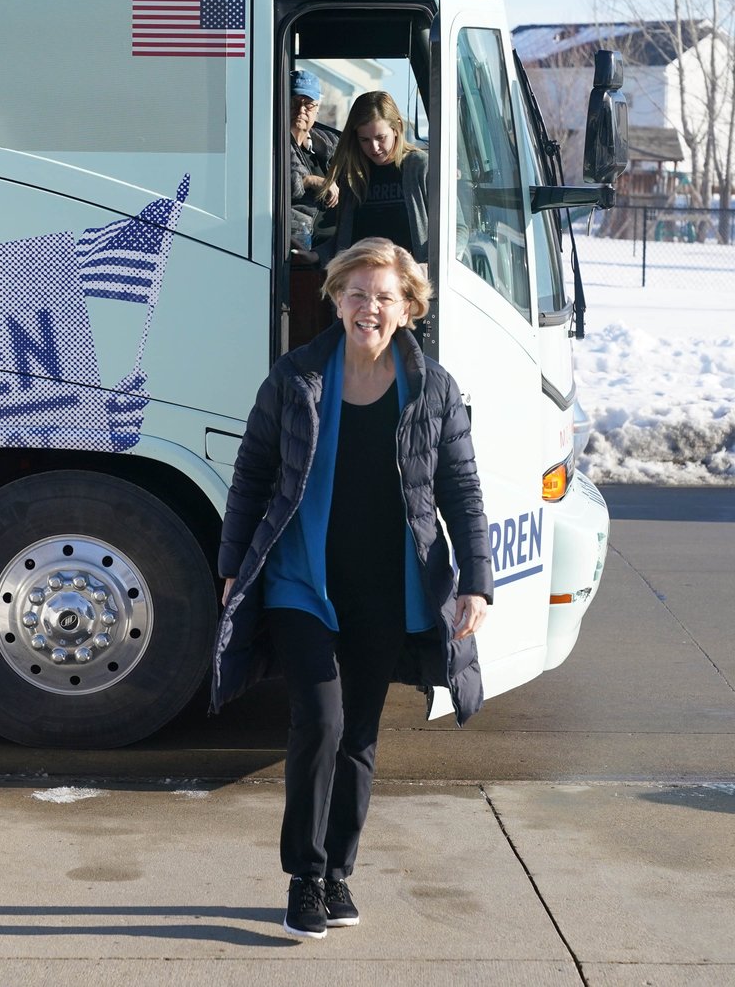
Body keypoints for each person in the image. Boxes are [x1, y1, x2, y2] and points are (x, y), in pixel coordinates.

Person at [209, 237, 493, 940]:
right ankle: (304, 877)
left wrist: (476, 580)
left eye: (385, 296)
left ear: (409, 308)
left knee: (360, 736)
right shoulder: (296, 377)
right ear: (335, 298)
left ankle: (339, 871)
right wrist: (231, 563)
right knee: (321, 721)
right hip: (303, 582)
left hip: (388, 588)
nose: (370, 307)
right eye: (357, 293)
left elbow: (460, 486)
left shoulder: (433, 388)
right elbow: (252, 473)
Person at [313, 92, 428, 264]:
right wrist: (315, 255)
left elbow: (457, 230)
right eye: (364, 140)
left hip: (408, 284)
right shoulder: (353, 175)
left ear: (397, 128)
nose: (374, 147)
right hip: (360, 282)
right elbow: (343, 242)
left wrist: (429, 267)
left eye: (380, 138)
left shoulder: (420, 166)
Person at [288, 70, 339, 250]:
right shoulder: (271, 143)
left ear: (317, 109)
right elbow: (267, 187)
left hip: (337, 244)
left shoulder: (329, 142)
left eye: (308, 105)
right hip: (300, 245)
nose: (301, 110)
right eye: (295, 103)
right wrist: (309, 181)